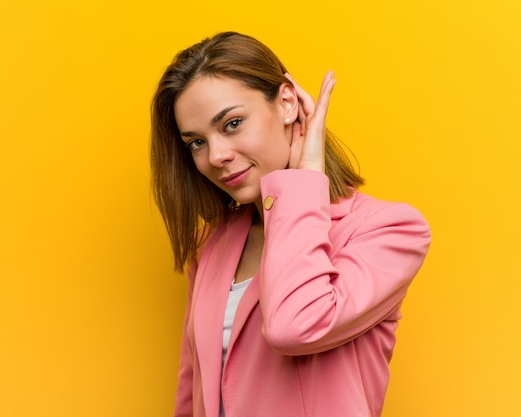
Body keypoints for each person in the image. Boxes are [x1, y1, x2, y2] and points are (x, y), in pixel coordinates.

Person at [150, 31, 431, 417]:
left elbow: (294, 327)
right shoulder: (213, 245)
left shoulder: (389, 230)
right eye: (196, 142)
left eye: (231, 124)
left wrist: (304, 181)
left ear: (286, 103)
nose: (215, 156)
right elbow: (192, 388)